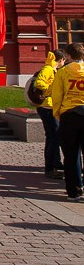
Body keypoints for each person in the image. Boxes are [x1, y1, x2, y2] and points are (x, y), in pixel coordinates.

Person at [50, 43, 84, 202]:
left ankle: (74, 191)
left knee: (71, 156)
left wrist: (58, 114)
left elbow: (57, 96)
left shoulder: (62, 72)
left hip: (69, 115)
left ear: (69, 56)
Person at [33, 50, 65, 179]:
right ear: (60, 60)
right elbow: (39, 83)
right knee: (53, 136)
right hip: (47, 107)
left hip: (50, 106)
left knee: (54, 136)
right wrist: (52, 90)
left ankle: (54, 164)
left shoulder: (52, 69)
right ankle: (51, 167)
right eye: (63, 60)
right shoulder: (48, 69)